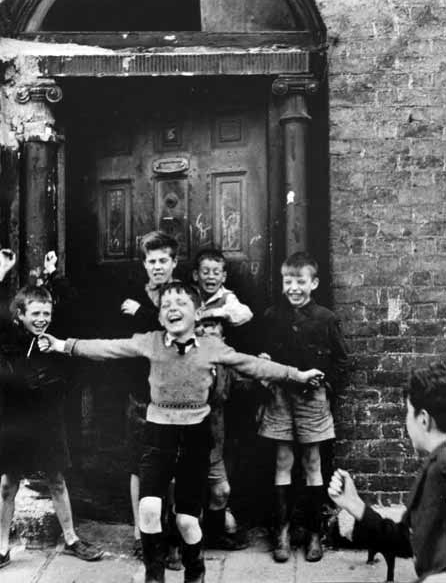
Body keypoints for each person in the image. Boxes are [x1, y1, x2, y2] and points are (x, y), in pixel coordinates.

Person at [39, 280, 323, 583]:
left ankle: (195, 572)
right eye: (166, 307)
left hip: (195, 438)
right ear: (160, 317)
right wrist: (63, 345)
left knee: (187, 520)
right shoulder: (150, 341)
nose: (173, 310)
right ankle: (154, 575)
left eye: (181, 305)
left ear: (198, 313)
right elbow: (108, 348)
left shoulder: (211, 347)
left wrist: (297, 375)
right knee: (148, 508)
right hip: (159, 434)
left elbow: (252, 365)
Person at [0, 251, 103, 570]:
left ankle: (72, 538)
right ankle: (1, 545)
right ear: (19, 314)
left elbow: (72, 376)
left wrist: (53, 275)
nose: (42, 319)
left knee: (57, 478)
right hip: (15, 420)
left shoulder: (52, 343)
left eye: (46, 313)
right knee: (8, 484)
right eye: (35, 314)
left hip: (47, 420)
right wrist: (2, 272)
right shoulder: (8, 338)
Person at [257, 252, 349, 563]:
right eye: (288, 281)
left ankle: (313, 533)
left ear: (314, 282)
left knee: (312, 463)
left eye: (300, 281)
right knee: (283, 460)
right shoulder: (272, 316)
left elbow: (342, 361)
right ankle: (281, 532)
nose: (294, 288)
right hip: (281, 396)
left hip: (313, 399)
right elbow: (263, 356)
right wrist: (265, 364)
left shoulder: (325, 318)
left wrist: (326, 383)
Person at [328, 361, 446, 582]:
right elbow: (408, 541)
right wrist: (355, 504)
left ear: (423, 419)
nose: (405, 422)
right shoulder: (436, 464)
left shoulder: (440, 468)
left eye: (407, 413)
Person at [120, 231, 178, 559]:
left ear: (173, 263)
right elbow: (127, 340)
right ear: (144, 264)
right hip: (140, 390)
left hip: (173, 391)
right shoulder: (130, 293)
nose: (157, 267)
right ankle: (140, 531)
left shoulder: (182, 294)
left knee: (171, 464)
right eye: (151, 261)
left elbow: (173, 329)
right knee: (138, 463)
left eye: (162, 261)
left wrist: (143, 314)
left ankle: (167, 531)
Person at [192, 247, 252, 550]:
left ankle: (215, 525)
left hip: (218, 384)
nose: (211, 277)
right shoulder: (187, 297)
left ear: (224, 276)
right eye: (206, 271)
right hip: (190, 380)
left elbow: (243, 315)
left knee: (218, 446)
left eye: (217, 272)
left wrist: (216, 313)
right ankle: (185, 533)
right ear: (196, 275)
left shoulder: (227, 298)